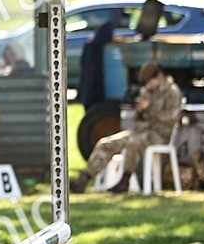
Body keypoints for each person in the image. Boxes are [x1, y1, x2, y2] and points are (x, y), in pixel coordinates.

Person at [71, 62, 182, 193]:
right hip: (141, 131)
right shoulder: (147, 92)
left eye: (149, 82)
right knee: (106, 143)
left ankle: (124, 181)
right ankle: (84, 179)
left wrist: (149, 108)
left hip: (160, 134)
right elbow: (138, 119)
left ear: (158, 77)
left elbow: (170, 118)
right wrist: (140, 110)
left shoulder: (172, 92)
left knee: (133, 143)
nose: (147, 86)